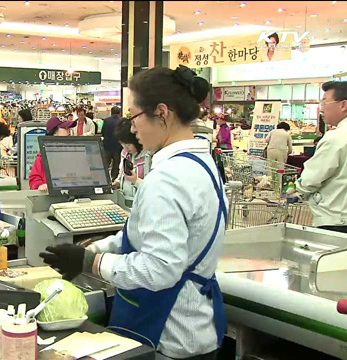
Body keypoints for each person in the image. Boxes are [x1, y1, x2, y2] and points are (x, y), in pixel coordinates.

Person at [40, 65, 226, 359]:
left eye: (133, 115)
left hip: (166, 334)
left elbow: (160, 268)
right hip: (196, 327)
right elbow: (142, 235)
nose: (131, 126)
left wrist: (93, 262)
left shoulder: (167, 179)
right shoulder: (202, 165)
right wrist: (93, 248)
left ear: (162, 112)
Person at [295, 81, 347, 233]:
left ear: (343, 105)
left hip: (337, 219)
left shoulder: (336, 138)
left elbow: (311, 179)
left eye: (324, 101)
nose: (321, 108)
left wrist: (298, 190)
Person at [29, 116, 76, 191]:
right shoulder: (43, 156)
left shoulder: (75, 153)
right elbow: (34, 180)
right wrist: (41, 185)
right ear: (54, 132)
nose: (69, 131)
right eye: (65, 128)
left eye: (69, 128)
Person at [113, 118, 151, 200]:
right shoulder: (125, 154)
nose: (125, 148)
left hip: (141, 201)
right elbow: (121, 174)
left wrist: (136, 180)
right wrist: (117, 182)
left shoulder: (148, 156)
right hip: (125, 200)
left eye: (128, 144)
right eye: (122, 144)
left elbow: (152, 188)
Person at [101, 106, 123, 181]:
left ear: (111, 112)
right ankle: (113, 179)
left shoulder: (106, 120)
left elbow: (103, 133)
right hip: (118, 147)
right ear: (119, 112)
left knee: (105, 164)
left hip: (107, 145)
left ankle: (104, 179)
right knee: (116, 165)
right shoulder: (121, 121)